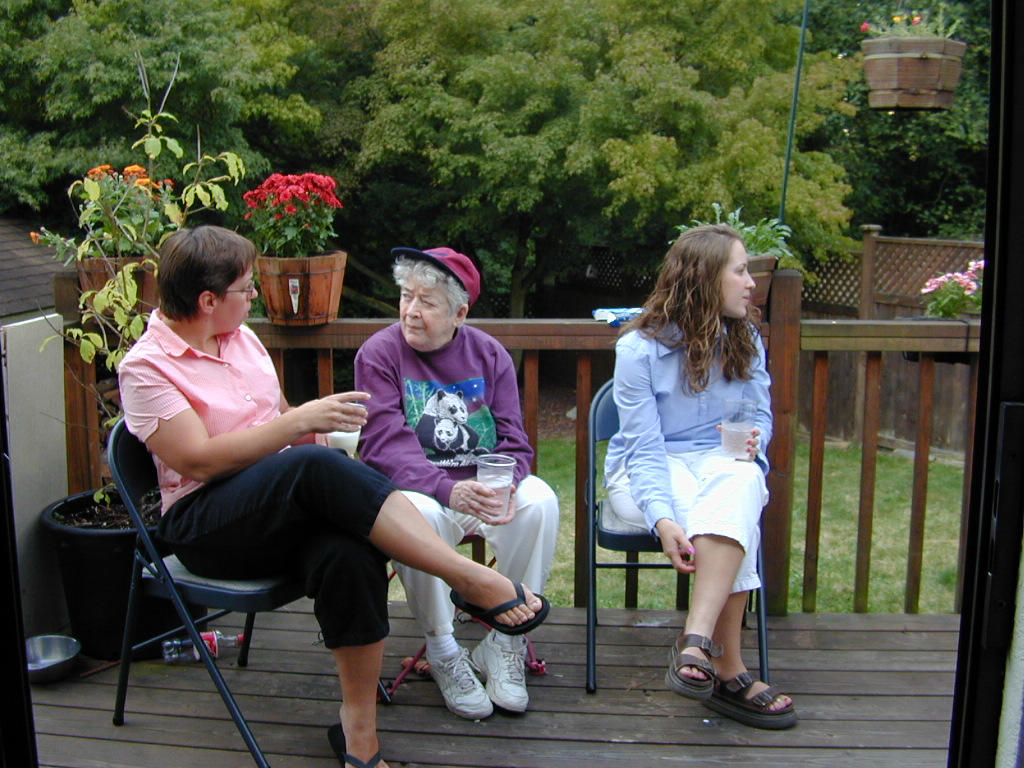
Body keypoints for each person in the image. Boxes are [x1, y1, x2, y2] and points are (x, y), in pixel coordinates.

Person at [117, 226, 549, 768]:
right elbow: (199, 460)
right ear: (208, 300)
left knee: (351, 550)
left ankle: (359, 737)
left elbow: (274, 418)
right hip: (208, 528)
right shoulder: (146, 367)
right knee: (313, 466)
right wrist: (301, 425)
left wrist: (307, 434)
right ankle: (470, 579)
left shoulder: (239, 338)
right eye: (246, 289)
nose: (253, 299)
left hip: (280, 510)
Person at [603, 224, 797, 730]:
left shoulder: (745, 338)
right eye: (740, 271)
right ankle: (728, 669)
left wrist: (755, 442)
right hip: (649, 468)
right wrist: (662, 518)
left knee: (741, 485)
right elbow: (643, 450)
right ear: (704, 280)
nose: (751, 284)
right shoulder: (638, 351)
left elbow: (760, 415)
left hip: (718, 461)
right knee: (731, 515)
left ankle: (695, 639)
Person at [354, 246, 559, 720]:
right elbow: (384, 445)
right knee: (415, 515)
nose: (411, 311)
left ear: (459, 314)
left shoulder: (489, 354)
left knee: (541, 501)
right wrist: (448, 490)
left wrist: (507, 484)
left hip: (481, 489)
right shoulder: (379, 354)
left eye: (427, 302)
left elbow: (513, 439)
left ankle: (506, 641)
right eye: (406, 296)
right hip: (420, 492)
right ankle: (443, 648)